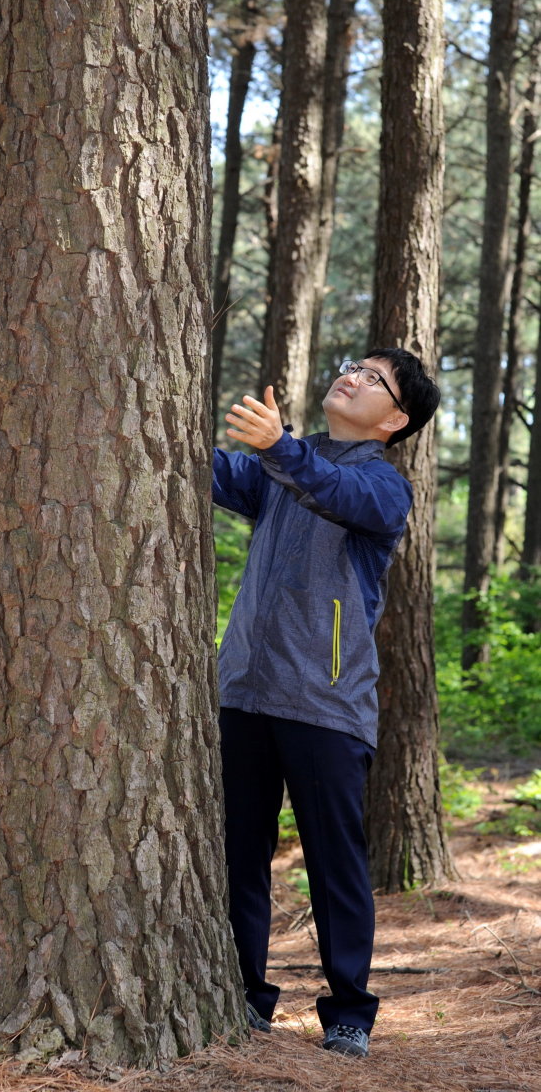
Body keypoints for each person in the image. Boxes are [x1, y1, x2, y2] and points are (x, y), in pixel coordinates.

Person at [213, 349, 440, 1058]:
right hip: (245, 692)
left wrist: (280, 448)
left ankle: (349, 1011)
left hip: (326, 704)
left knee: (334, 862)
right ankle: (246, 994)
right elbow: (225, 473)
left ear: (396, 419)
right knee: (236, 854)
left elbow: (331, 493)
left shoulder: (384, 489)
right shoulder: (290, 460)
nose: (352, 376)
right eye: (354, 366)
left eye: (375, 379)